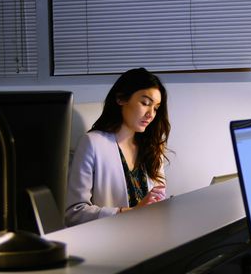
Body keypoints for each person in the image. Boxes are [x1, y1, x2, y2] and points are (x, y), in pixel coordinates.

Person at [65, 67, 171, 226]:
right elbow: (74, 213)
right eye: (145, 103)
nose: (151, 114)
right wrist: (129, 213)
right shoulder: (92, 143)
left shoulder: (152, 147)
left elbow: (157, 202)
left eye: (155, 108)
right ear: (121, 98)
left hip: (150, 235)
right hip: (112, 240)